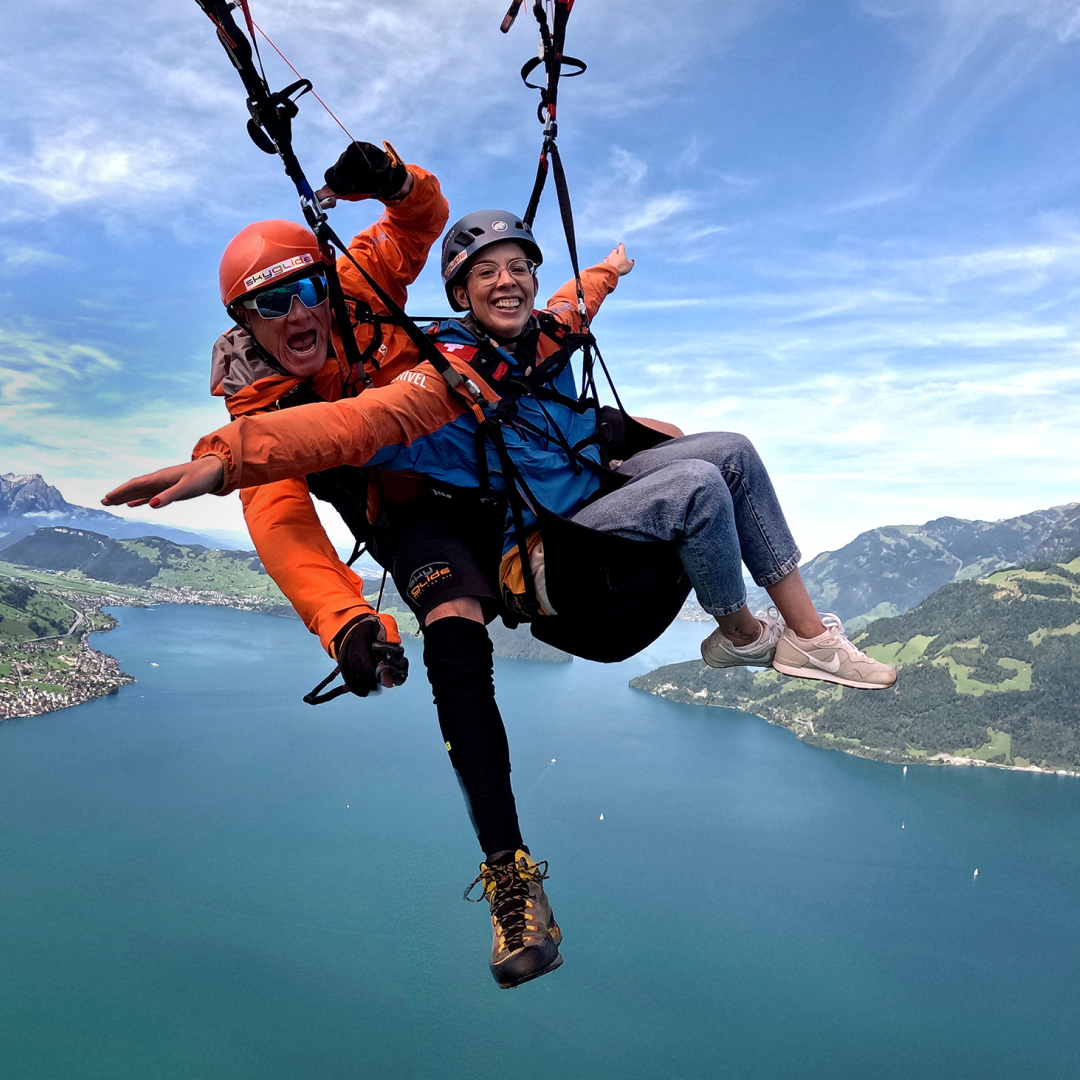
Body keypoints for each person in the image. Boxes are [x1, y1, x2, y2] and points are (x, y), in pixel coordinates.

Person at [105, 210, 897, 987]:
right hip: (416, 505)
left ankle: (799, 634)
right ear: (244, 321)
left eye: (307, 289)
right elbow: (323, 466)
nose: (298, 313)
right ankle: (510, 877)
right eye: (269, 306)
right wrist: (339, 613)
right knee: (454, 637)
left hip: (505, 455)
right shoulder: (276, 402)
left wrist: (398, 181)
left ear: (325, 279)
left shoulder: (364, 293)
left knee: (718, 457)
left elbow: (430, 227)